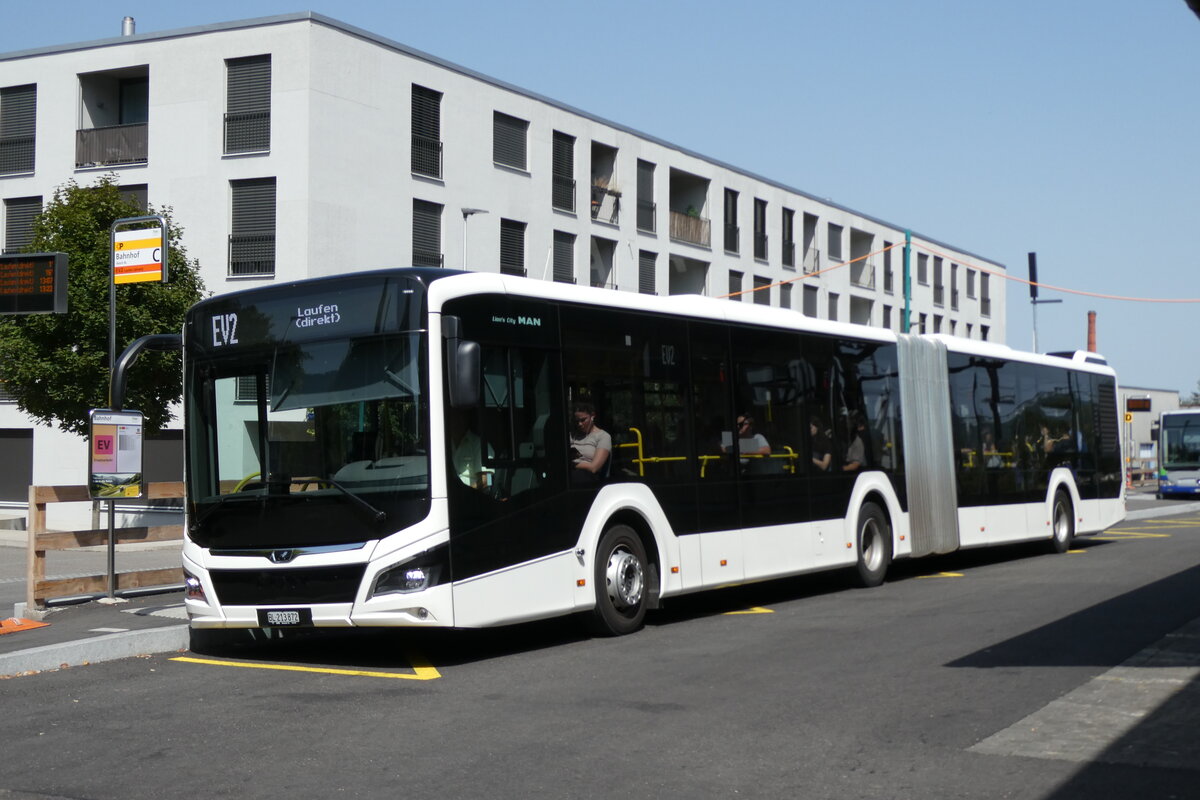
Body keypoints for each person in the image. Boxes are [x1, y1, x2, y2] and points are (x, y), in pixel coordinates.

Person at [570, 402, 611, 482]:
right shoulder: (572, 435)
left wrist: (572, 465)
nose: (580, 424)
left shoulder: (603, 436)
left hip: (588, 477)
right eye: (577, 421)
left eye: (583, 420)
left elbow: (594, 467)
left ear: (592, 416)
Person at [450, 413, 486, 489]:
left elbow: (487, 481)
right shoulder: (442, 443)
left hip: (472, 497)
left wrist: (465, 493)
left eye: (460, 418)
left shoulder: (480, 445)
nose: (456, 421)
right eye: (454, 417)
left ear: (466, 420)